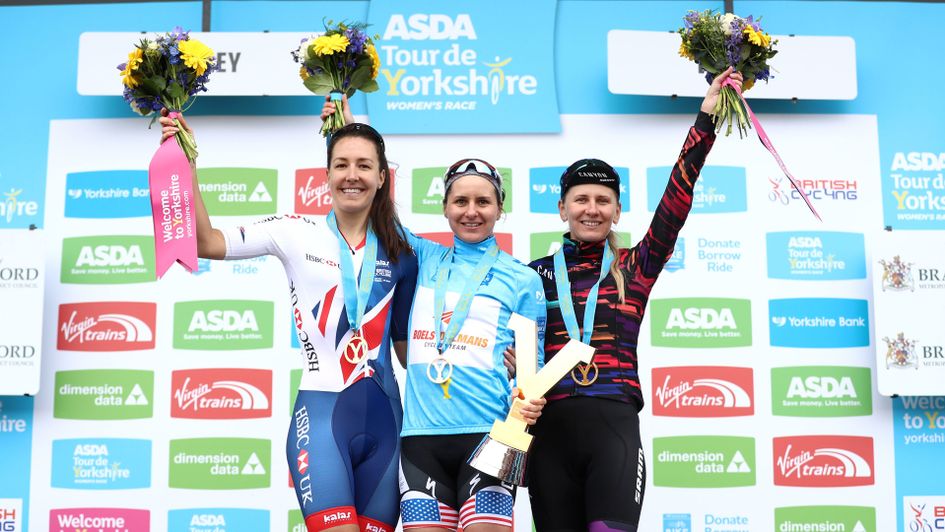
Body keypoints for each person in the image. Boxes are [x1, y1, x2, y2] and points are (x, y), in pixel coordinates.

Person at [159, 113, 418, 532]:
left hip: (388, 428)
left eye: (364, 165)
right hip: (321, 421)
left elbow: (410, 355)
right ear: (327, 174)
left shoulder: (402, 252)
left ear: (383, 177)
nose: (352, 175)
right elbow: (205, 242)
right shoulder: (295, 232)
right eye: (342, 165)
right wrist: (185, 161)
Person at [523, 67, 743, 531]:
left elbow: (676, 200)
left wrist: (705, 119)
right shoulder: (531, 277)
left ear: (617, 209)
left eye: (603, 200)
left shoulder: (633, 268)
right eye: (580, 199)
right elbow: (505, 347)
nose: (591, 209)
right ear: (562, 208)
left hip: (613, 429)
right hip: (548, 436)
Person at [320, 101, 548, 532]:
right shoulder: (421, 256)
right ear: (445, 207)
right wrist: (350, 130)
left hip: (493, 437)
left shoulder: (522, 280)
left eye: (484, 201)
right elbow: (378, 210)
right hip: (420, 441)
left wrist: (530, 394)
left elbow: (531, 373)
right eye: (460, 200)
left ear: (500, 208)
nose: (471, 211)